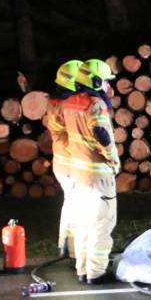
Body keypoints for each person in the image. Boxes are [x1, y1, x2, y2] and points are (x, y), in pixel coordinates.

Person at [54, 59, 120, 284]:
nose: (109, 87)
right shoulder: (95, 105)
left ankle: (82, 270)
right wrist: (113, 161)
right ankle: (97, 272)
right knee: (101, 224)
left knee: (83, 225)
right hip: (98, 175)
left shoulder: (69, 103)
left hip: (78, 174)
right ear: (96, 80)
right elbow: (102, 134)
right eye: (107, 82)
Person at [46, 59, 82, 260]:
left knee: (70, 203)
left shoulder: (55, 103)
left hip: (62, 162)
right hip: (72, 163)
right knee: (78, 205)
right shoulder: (67, 107)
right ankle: (75, 248)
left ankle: (65, 245)